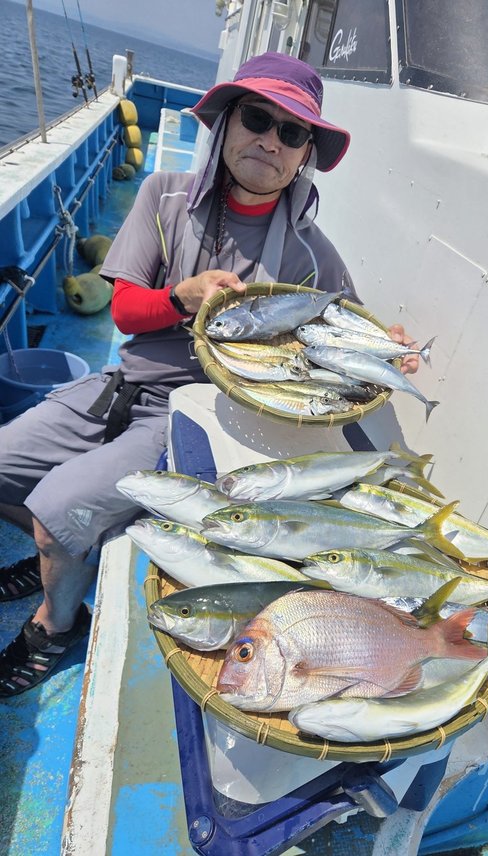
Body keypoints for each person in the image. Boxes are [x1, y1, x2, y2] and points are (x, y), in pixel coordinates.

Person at [0, 51, 419, 696]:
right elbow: (126, 310)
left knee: (58, 507)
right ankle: (57, 551)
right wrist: (182, 297)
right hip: (121, 387)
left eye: (293, 132)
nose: (270, 141)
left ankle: (55, 624)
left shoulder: (313, 256)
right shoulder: (162, 197)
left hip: (196, 412)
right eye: (257, 117)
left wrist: (388, 347)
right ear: (226, 121)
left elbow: (346, 326)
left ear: (306, 152)